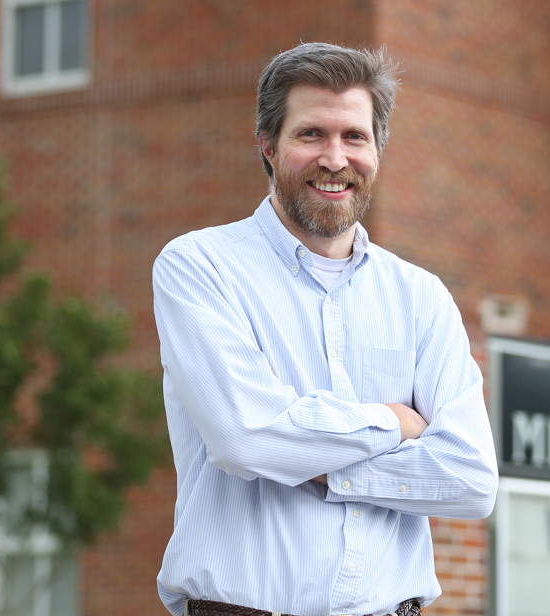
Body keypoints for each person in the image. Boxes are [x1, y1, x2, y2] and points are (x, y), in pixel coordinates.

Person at [152, 42, 499, 616]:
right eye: (311, 134)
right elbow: (247, 439)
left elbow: (469, 479)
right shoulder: (200, 267)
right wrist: (393, 420)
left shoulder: (421, 298)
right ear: (268, 145)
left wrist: (317, 468)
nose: (335, 159)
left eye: (354, 137)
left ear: (377, 149)